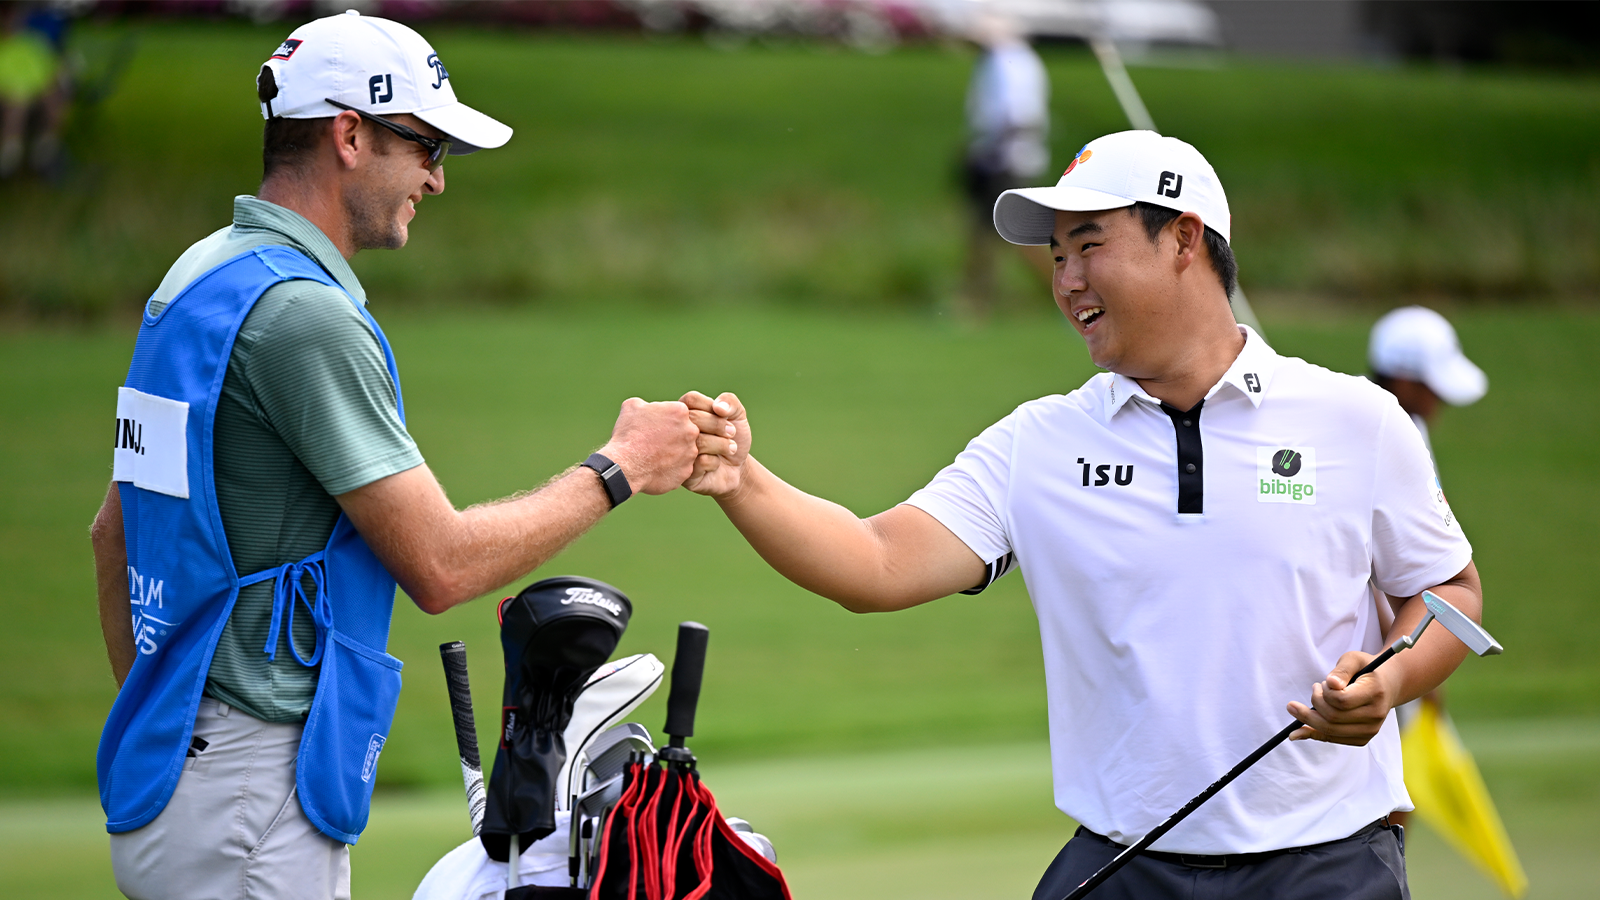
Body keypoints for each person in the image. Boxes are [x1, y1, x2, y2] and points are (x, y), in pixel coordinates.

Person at [681, 130, 1483, 898]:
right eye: (1057, 255)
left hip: (1326, 868)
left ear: (1183, 239)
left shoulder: (1356, 420)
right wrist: (741, 480)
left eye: (1090, 245)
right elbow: (875, 561)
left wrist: (1391, 678)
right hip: (1125, 868)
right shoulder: (1040, 442)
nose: (1065, 280)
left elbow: (1450, 593)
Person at [89, 12, 727, 900]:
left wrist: (169, 726)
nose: (434, 177)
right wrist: (620, 467)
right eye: (425, 145)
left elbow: (112, 536)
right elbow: (440, 564)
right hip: (248, 792)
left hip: (175, 776)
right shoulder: (305, 317)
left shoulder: (199, 275)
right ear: (348, 134)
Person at [1367, 305, 1488, 831]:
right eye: (1432, 384)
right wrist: (1423, 664)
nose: (1440, 399)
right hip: (1379, 645)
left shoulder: (1401, 421)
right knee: (1394, 795)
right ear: (1403, 377)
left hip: (1392, 643)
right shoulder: (1389, 427)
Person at [958, 12, 1052, 317]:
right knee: (984, 235)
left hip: (1004, 159)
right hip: (1001, 156)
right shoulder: (1012, 61)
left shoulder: (1008, 63)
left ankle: (1068, 295)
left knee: (1013, 236)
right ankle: (975, 301)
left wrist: (992, 152)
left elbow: (1016, 115)